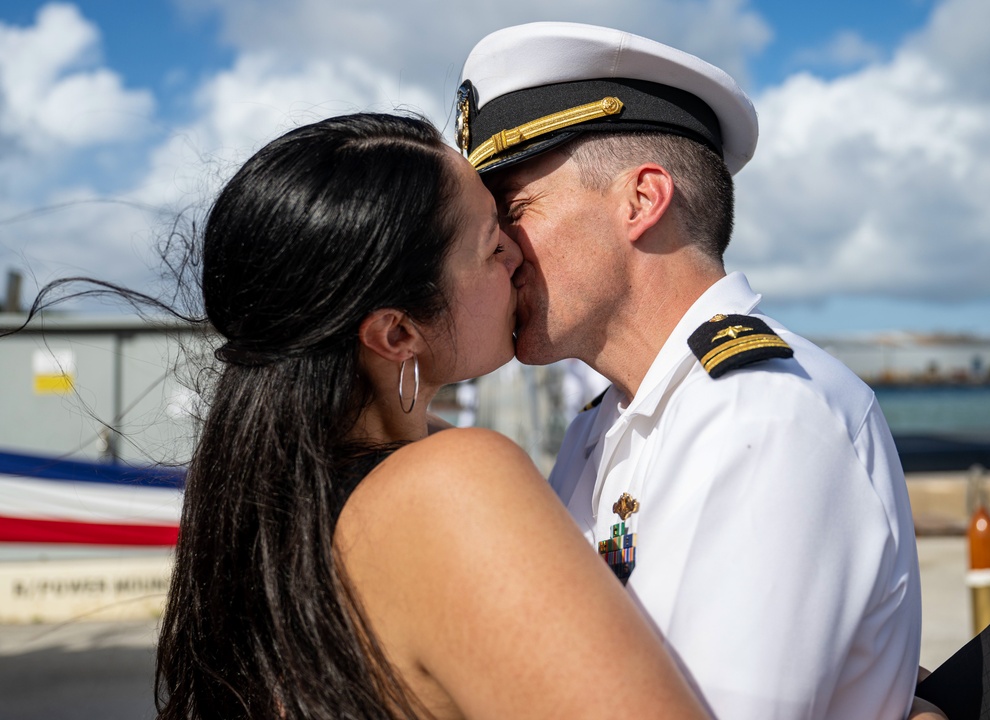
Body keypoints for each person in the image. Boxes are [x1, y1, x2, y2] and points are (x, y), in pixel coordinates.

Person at [144, 113, 711, 719]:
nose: (519, 255)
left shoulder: (273, 495)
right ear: (397, 332)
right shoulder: (450, 484)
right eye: (493, 244)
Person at [457, 22, 922, 720]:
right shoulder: (608, 424)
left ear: (642, 201)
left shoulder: (761, 415)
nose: (499, 249)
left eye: (515, 210)